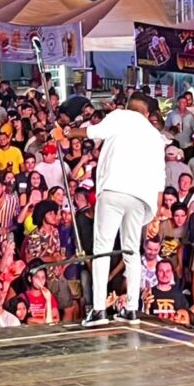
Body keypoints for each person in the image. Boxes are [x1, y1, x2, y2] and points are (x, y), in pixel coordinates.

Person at [59, 92, 166, 327]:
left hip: (114, 190)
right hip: (140, 198)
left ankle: (98, 310)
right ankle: (132, 309)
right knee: (131, 251)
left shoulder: (121, 116)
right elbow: (160, 179)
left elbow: (93, 132)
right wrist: (156, 213)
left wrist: (66, 132)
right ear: (147, 113)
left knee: (102, 248)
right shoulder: (155, 135)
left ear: (129, 107)